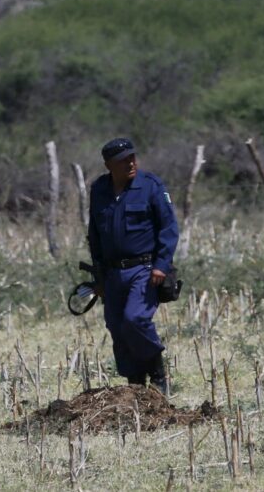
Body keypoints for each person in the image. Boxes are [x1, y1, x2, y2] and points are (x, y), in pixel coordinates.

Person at [87, 137, 179, 394]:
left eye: (132, 157)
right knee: (117, 326)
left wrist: (162, 265)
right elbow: (94, 233)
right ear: (108, 165)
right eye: (123, 160)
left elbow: (169, 228)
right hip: (113, 273)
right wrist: (99, 277)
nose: (131, 163)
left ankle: (158, 372)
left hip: (145, 269)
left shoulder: (150, 186)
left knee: (135, 319)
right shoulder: (99, 190)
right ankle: (136, 385)